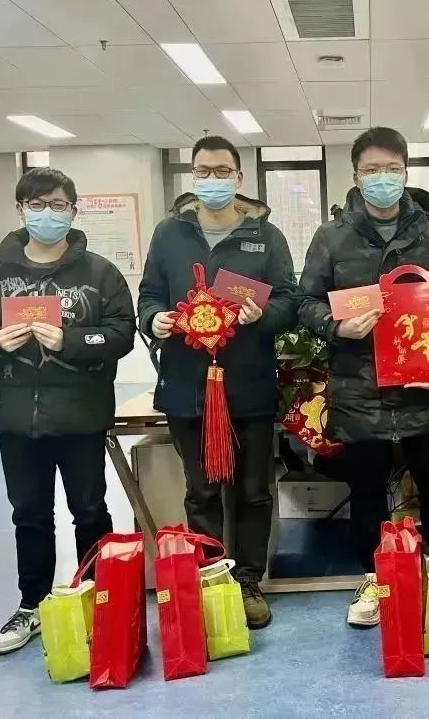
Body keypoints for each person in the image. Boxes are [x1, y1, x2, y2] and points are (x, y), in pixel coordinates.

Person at [0, 167, 135, 655]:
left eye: (57, 205)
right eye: (37, 205)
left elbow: (121, 333)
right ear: (21, 210)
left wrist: (71, 340)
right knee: (29, 514)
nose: (47, 214)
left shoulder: (99, 273)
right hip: (17, 418)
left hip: (81, 416)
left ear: (73, 210)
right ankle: (31, 603)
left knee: (90, 509)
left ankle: (99, 597)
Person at [298, 126, 429, 629]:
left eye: (392, 169)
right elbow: (306, 302)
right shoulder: (332, 237)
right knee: (368, 490)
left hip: (421, 386)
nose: (383, 178)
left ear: (406, 172)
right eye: (372, 170)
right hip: (359, 386)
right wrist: (337, 326)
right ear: (355, 176)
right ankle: (376, 579)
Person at [138, 135, 298, 630]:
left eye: (222, 172)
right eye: (203, 172)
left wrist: (263, 315)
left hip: (248, 386)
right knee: (201, 491)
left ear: (239, 177)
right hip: (187, 386)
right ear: (192, 176)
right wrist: (154, 319)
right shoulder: (169, 234)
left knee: (253, 491)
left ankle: (248, 580)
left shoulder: (266, 237)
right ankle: (210, 579)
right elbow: (148, 295)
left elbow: (289, 301)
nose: (213, 180)